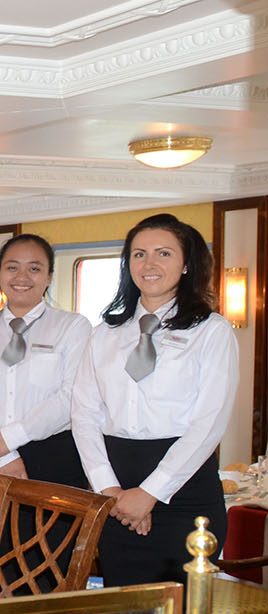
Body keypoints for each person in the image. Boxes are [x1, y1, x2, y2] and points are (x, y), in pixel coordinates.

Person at [72, 213, 237, 587]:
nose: (149, 264)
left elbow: (209, 423)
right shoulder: (105, 333)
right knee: (123, 606)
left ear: (187, 264)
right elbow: (83, 413)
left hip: (183, 489)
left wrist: (150, 492)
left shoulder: (211, 331)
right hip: (114, 483)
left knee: (181, 610)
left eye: (164, 253)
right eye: (139, 254)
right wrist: (109, 490)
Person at [0, 234, 91, 564]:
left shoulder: (73, 327)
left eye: (34, 268)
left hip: (51, 459)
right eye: (12, 267)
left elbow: (71, 395)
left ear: (49, 277)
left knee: (48, 562)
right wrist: (4, 454)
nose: (22, 277)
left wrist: (11, 437)